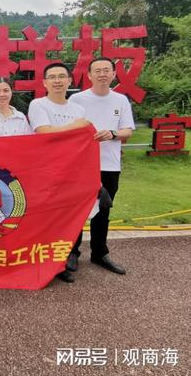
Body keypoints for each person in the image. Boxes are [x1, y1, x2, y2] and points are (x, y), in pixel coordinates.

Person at [68, 57, 134, 275]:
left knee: (103, 209)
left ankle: (99, 253)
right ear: (89, 75)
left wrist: (112, 134)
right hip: (81, 165)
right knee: (76, 209)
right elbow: (70, 130)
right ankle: (72, 253)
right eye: (97, 71)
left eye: (107, 70)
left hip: (109, 164)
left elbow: (128, 131)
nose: (102, 74)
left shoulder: (121, 100)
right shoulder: (76, 99)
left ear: (114, 74)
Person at [28, 62, 90, 284]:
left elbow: (83, 141)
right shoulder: (38, 104)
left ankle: (61, 261)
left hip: (72, 169)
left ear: (69, 80)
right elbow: (44, 133)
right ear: (44, 82)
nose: (57, 81)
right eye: (52, 77)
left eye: (61, 76)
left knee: (68, 216)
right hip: (46, 170)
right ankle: (43, 262)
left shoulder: (78, 110)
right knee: (47, 218)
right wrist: (75, 127)